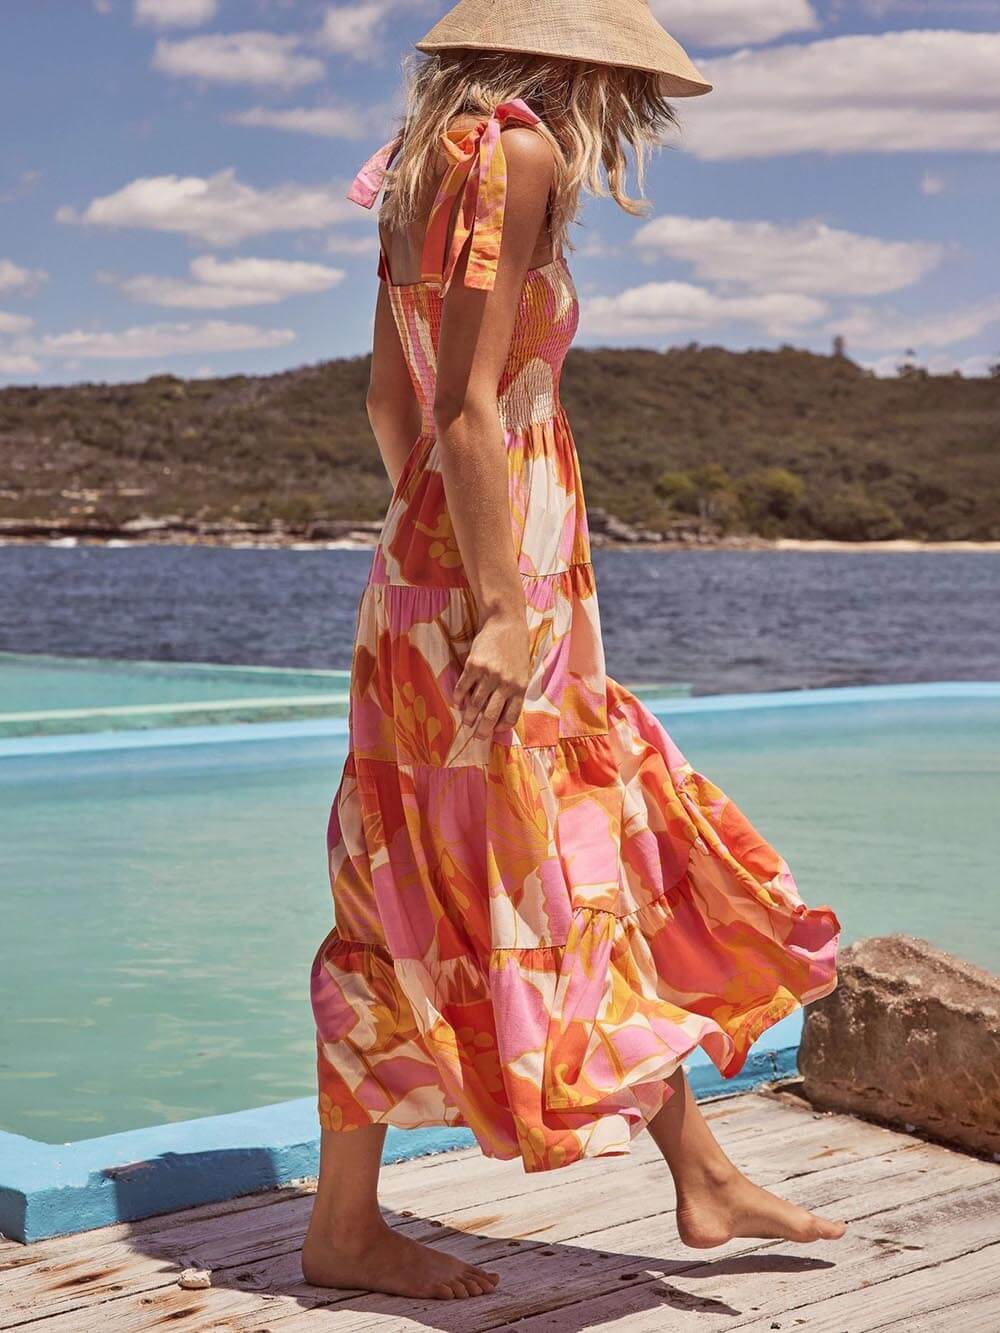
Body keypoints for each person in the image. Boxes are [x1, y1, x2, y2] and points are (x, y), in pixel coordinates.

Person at [304, 0, 845, 1300]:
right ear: (582, 61)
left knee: (414, 880)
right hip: (505, 578)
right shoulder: (520, 150)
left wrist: (433, 554)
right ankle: (692, 1176)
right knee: (569, 853)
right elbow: (471, 407)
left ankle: (364, 1223)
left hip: (425, 566)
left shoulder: (416, 160)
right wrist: (497, 600)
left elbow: (391, 403)